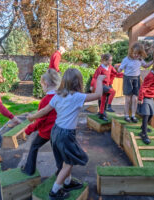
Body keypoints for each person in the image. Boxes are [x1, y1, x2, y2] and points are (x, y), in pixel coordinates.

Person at [27, 69, 105, 199]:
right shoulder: (77, 97)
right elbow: (98, 94)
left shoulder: (58, 95)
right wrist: (100, 80)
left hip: (55, 132)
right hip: (66, 135)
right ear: (79, 82)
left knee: (64, 159)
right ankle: (55, 190)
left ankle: (67, 183)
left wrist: (32, 117)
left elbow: (45, 111)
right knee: (69, 162)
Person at [21, 69, 61, 176]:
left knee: (34, 146)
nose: (42, 87)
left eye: (42, 85)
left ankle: (29, 169)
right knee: (58, 152)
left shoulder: (45, 100)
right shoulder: (60, 96)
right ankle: (61, 172)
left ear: (46, 84)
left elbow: (41, 120)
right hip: (58, 131)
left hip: (47, 131)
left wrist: (28, 130)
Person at [118, 42, 153, 123]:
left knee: (135, 99)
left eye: (138, 54)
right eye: (135, 53)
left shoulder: (140, 59)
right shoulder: (126, 60)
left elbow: (145, 66)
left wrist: (153, 61)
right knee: (128, 99)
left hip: (136, 79)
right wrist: (119, 69)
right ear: (131, 52)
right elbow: (120, 69)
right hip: (128, 79)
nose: (136, 55)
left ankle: (133, 115)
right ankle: (127, 115)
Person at [90, 54, 120, 121]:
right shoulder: (100, 68)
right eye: (109, 61)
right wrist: (92, 86)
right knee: (111, 93)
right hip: (101, 85)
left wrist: (124, 75)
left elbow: (116, 74)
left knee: (104, 99)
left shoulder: (110, 67)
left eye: (111, 60)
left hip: (107, 85)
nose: (110, 62)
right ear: (104, 61)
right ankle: (107, 108)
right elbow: (95, 77)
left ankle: (102, 113)